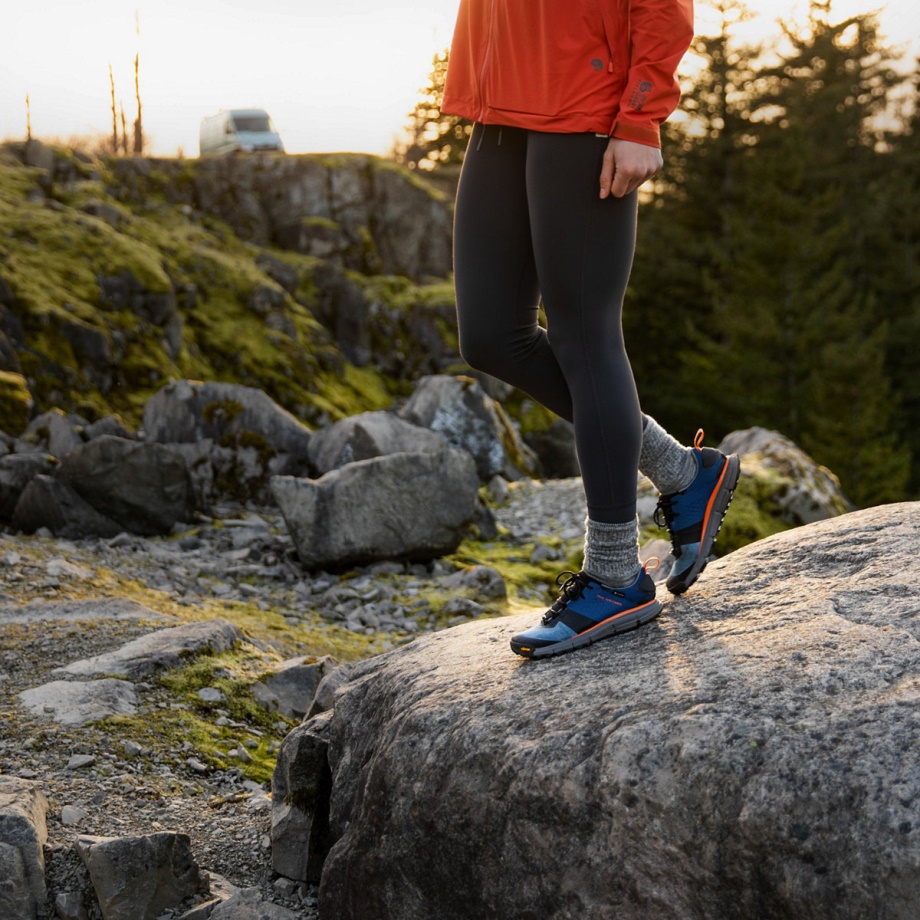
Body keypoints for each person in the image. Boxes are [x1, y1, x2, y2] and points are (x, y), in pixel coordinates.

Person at [441, 0, 740, 659]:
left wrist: (641, 114)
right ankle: (684, 474)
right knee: (491, 334)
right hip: (501, 102)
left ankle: (614, 577)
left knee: (583, 335)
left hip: (585, 101)